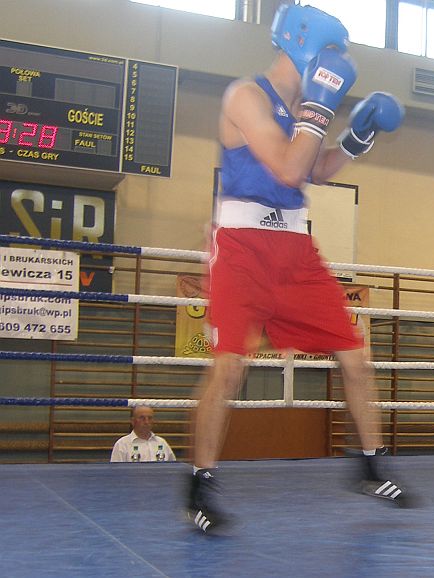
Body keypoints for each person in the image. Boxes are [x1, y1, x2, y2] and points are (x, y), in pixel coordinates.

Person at [186, 2, 410, 533]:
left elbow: (317, 168)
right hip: (242, 247)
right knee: (229, 366)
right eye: (330, 51)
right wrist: (320, 107)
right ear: (304, 43)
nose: (334, 62)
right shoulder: (245, 96)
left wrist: (358, 138)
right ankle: (199, 486)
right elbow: (289, 169)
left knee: (355, 355)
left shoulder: (302, 107)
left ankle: (370, 466)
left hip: (293, 247)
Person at [110, 406, 176, 463]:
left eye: (150, 418)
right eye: (142, 418)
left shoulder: (161, 442)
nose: (146, 422)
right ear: (133, 421)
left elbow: (173, 467)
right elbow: (116, 471)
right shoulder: (122, 444)